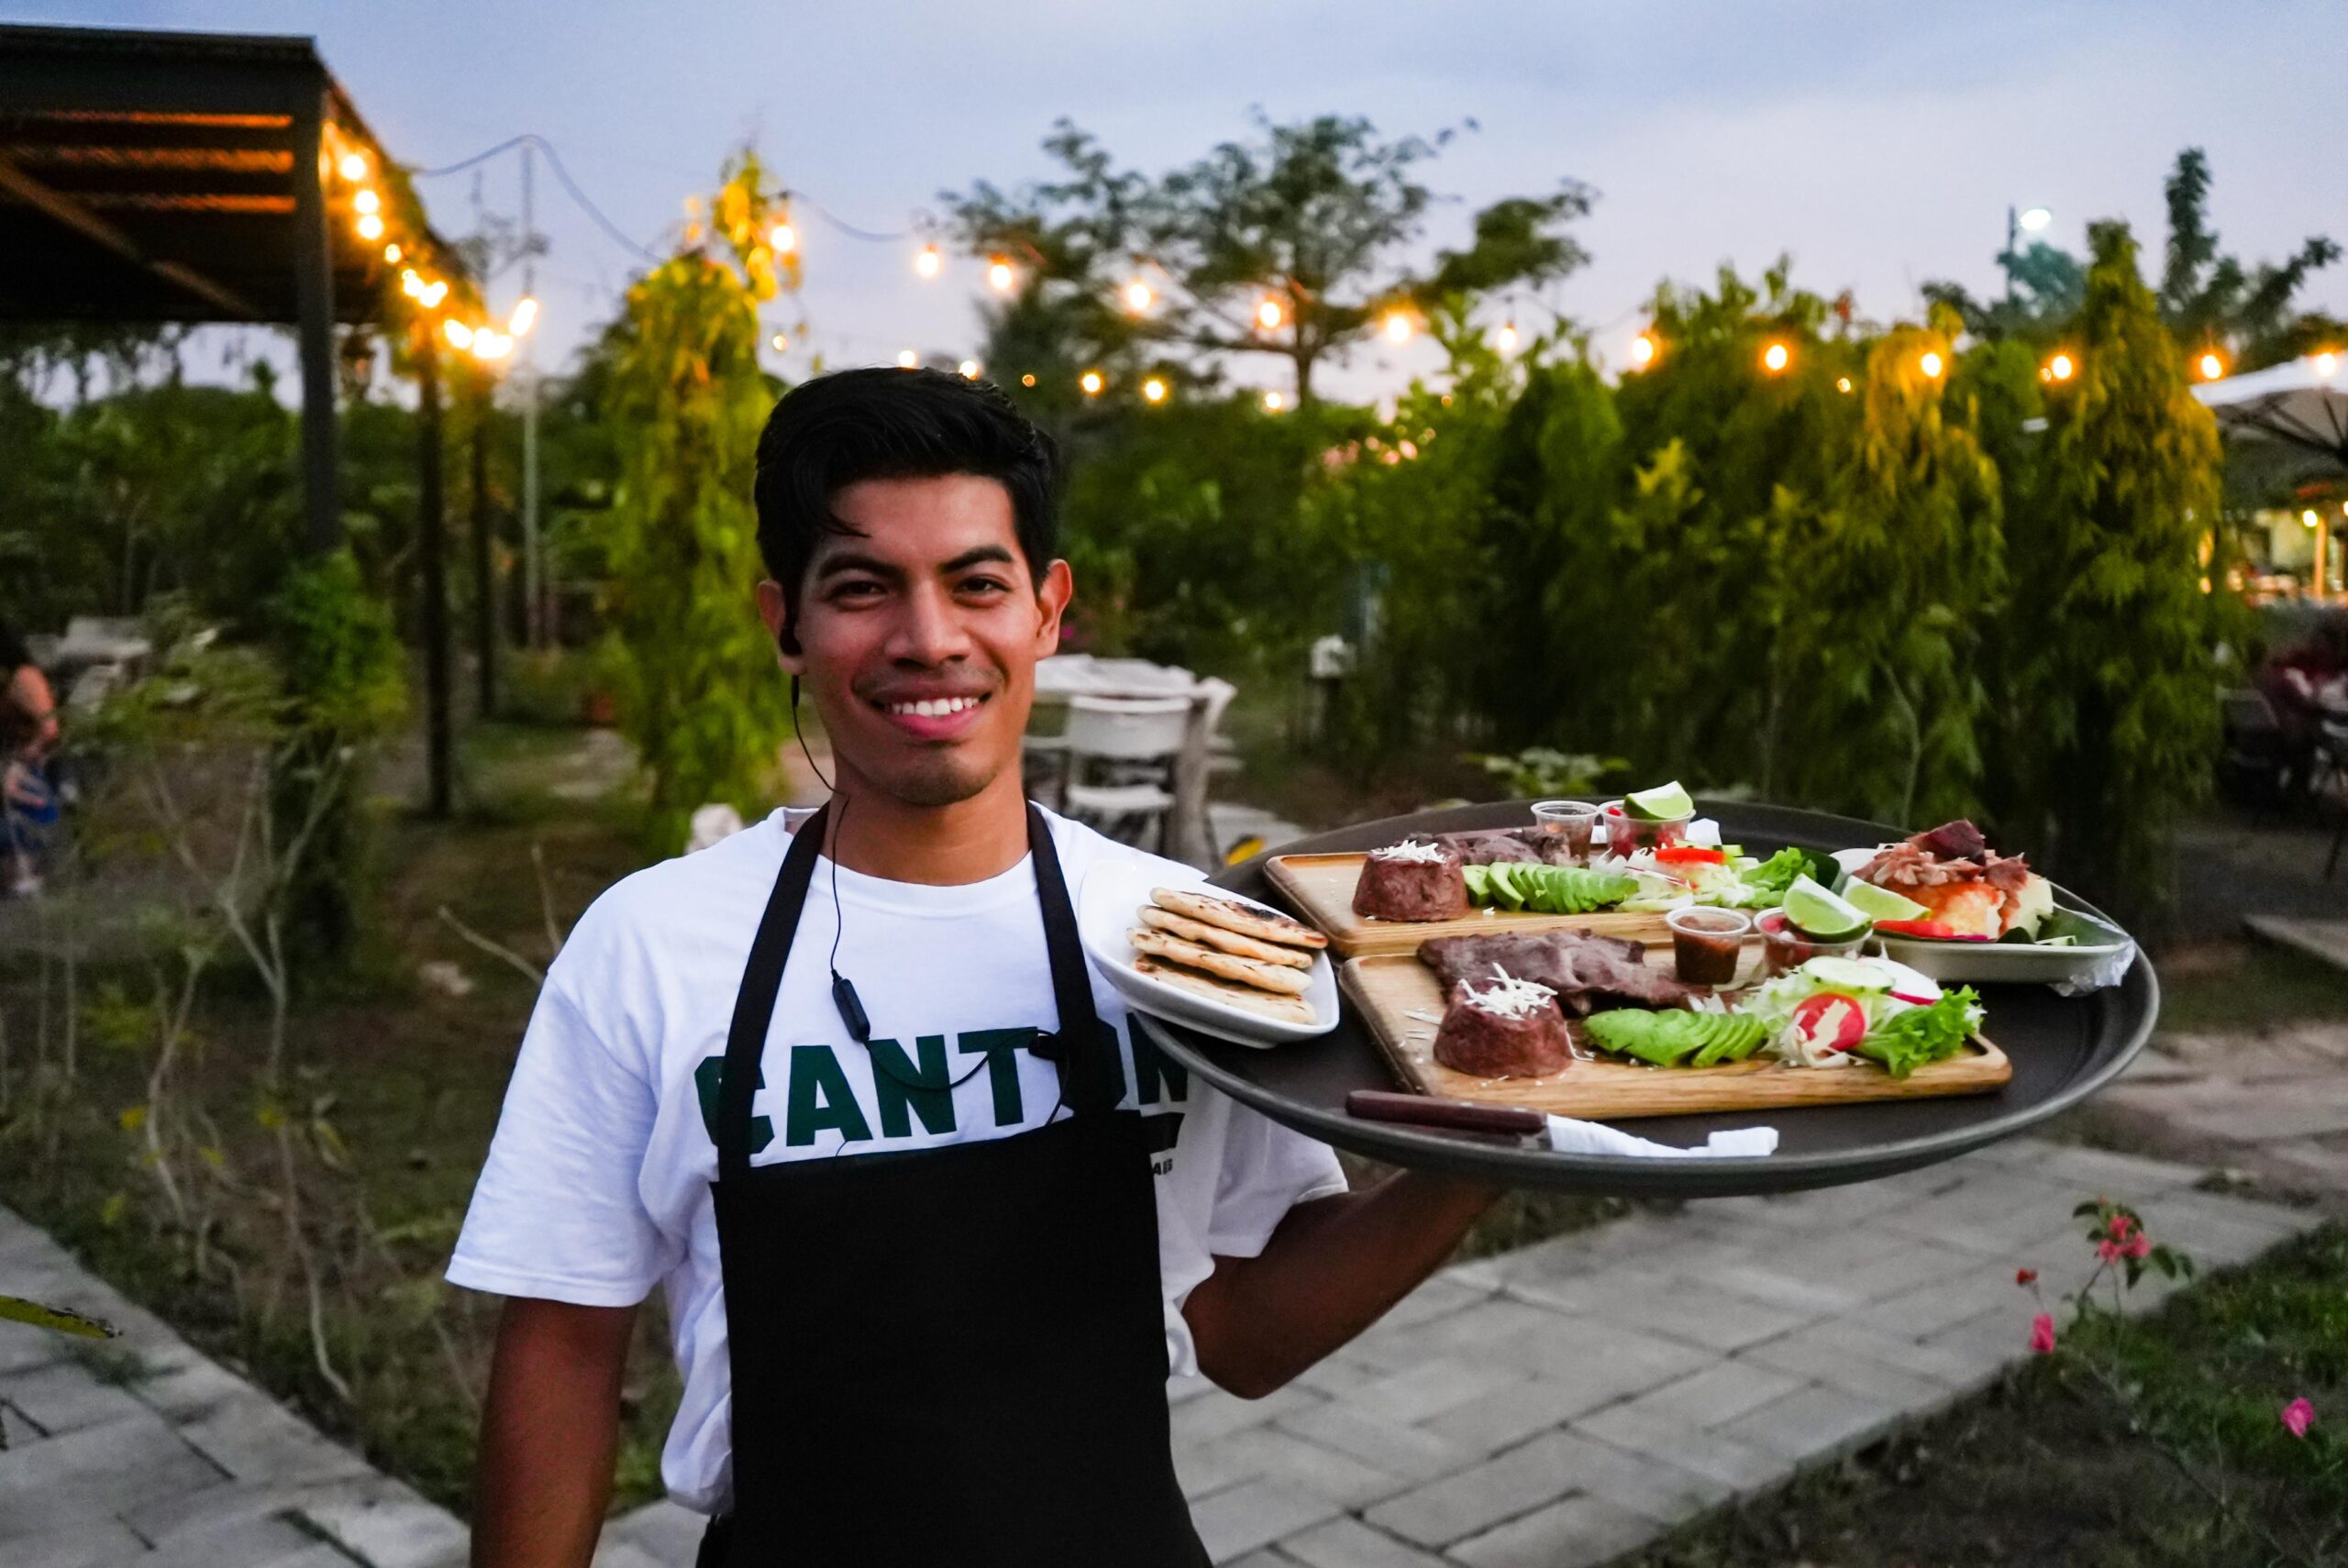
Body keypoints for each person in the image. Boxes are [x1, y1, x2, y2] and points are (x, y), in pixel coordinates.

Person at [449, 369, 1504, 1568]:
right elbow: (563, 1350)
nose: (928, 636)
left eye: (976, 582)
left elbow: (1249, 1328)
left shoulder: (1185, 929)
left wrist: (1485, 1149)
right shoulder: (652, 948)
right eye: (861, 586)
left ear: (1048, 609)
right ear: (784, 622)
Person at [1, 618, 60, 898]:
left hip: (28, 769)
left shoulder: (23, 678)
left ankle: (25, 868)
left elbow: (50, 731)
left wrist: (19, 765)